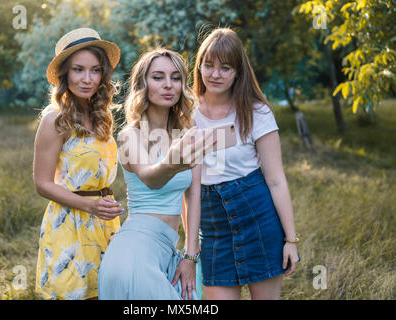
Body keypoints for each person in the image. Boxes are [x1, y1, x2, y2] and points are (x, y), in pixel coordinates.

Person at [192, 27, 300, 300]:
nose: (215, 74)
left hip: (259, 222)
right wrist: (190, 249)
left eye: (225, 68)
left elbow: (276, 180)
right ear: (199, 66)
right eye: (209, 66)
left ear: (238, 71)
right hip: (213, 229)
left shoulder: (256, 112)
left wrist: (291, 240)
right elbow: (188, 190)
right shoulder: (186, 114)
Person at [98, 48, 214, 300]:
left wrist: (191, 256)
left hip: (169, 250)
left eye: (175, 77)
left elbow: (194, 197)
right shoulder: (130, 135)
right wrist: (173, 161)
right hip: (134, 251)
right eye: (158, 77)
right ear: (143, 84)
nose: (168, 85)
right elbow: (151, 178)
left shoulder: (188, 134)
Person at [33, 27, 124, 300]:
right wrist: (89, 205)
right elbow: (42, 183)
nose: (87, 79)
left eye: (95, 70)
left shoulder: (100, 115)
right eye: (78, 70)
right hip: (70, 225)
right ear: (65, 74)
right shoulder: (55, 119)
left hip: (105, 225)